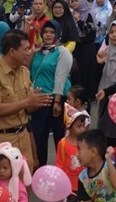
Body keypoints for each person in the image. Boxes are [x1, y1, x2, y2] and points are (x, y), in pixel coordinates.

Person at [0, 29, 53, 171]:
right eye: (25, 49)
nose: (29, 52)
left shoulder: (24, 72)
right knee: (3, 189)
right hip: (0, 141)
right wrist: (26, 102)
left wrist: (34, 103)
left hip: (23, 138)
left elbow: (27, 110)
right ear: (12, 52)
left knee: (24, 187)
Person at [29, 19, 73, 168]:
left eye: (52, 32)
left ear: (57, 34)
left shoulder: (62, 52)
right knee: (38, 136)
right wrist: (33, 52)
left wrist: (57, 102)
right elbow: (29, 71)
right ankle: (40, 168)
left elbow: (60, 77)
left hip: (56, 98)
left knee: (59, 138)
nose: (48, 35)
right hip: (39, 99)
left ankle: (64, 169)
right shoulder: (39, 51)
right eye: (45, 32)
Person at [77, 129, 116, 201]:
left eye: (79, 149)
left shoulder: (109, 166)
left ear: (93, 152)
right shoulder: (82, 178)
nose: (77, 154)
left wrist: (108, 159)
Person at [56, 107, 90, 194]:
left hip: (86, 182)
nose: (82, 129)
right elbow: (59, 165)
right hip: (69, 184)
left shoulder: (86, 141)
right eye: (79, 126)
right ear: (69, 127)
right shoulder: (63, 143)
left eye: (83, 126)